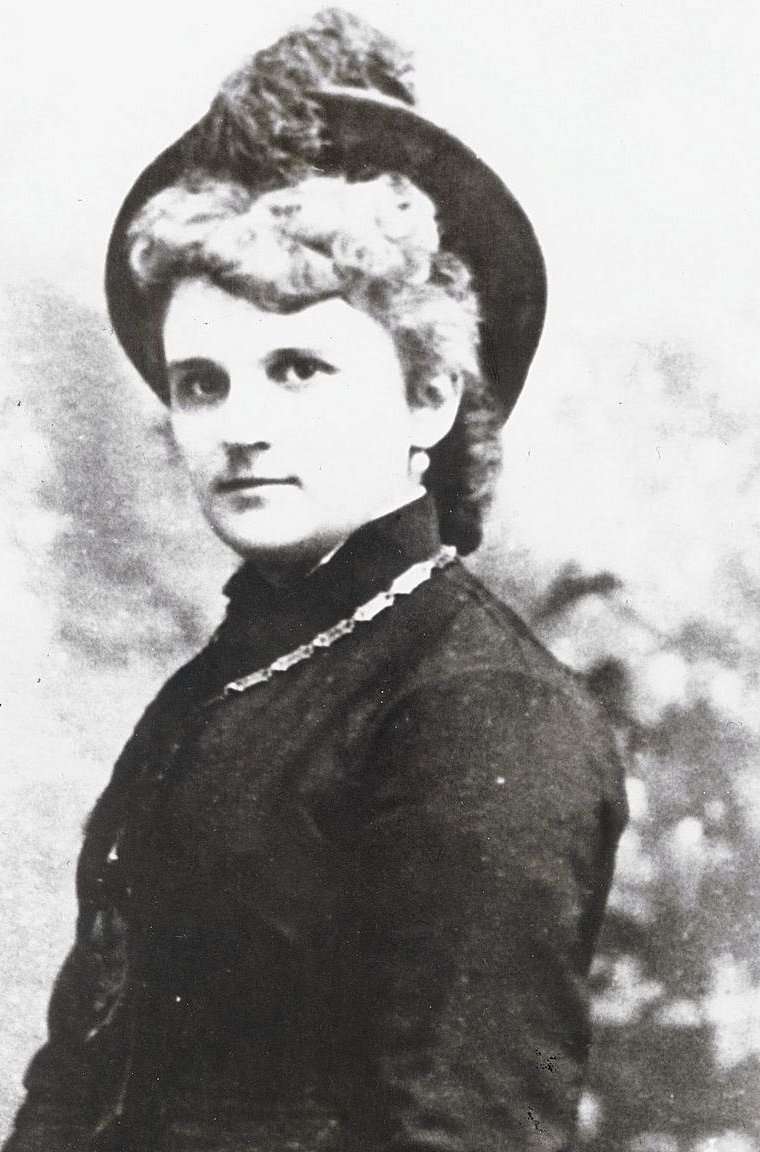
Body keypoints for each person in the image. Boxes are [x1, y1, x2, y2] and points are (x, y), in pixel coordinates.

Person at [3, 10, 627, 1152]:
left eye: (295, 368)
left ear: (428, 398)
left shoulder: (480, 711)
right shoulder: (232, 679)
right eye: (202, 382)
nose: (238, 425)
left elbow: (458, 1131)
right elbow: (83, 1072)